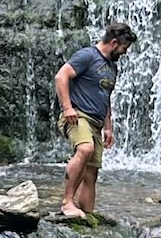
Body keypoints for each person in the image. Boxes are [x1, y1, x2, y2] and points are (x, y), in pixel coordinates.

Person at [56, 20, 137, 219]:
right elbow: (61, 76)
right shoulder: (87, 56)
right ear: (114, 42)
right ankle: (67, 203)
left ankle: (88, 215)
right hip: (78, 116)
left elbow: (105, 97)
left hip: (96, 122)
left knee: (92, 172)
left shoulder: (111, 67)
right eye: (124, 48)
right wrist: (67, 108)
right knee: (85, 149)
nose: (125, 52)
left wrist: (108, 128)